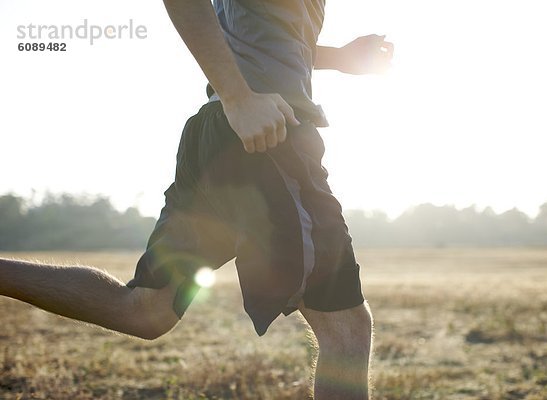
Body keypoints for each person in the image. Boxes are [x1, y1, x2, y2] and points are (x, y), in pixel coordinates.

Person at [0, 1, 393, 399]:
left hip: (226, 133)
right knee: (345, 330)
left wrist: (338, 57)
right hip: (267, 135)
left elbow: (256, 32)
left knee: (146, 310)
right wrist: (239, 99)